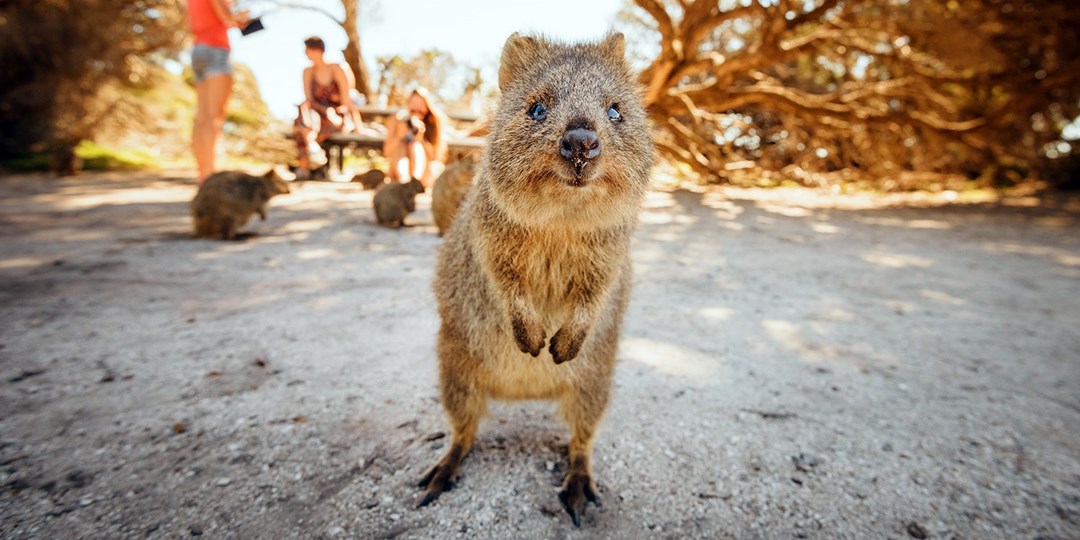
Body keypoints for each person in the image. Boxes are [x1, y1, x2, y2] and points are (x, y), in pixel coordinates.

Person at [187, 0, 248, 184]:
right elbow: (225, 16)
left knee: (202, 116)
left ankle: (203, 173)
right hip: (216, 50)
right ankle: (210, 175)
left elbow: (188, 25)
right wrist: (241, 18)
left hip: (198, 49)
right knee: (215, 116)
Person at [293, 36, 365, 179]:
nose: (305, 53)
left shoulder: (337, 68)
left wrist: (359, 126)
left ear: (316, 50)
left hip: (336, 115)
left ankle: (307, 162)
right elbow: (310, 100)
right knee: (303, 118)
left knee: (304, 124)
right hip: (316, 114)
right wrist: (322, 109)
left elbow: (347, 100)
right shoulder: (308, 72)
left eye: (307, 50)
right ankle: (311, 153)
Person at [383, 88, 446, 187]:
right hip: (398, 170)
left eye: (420, 107)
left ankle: (414, 181)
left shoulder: (432, 123)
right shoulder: (398, 120)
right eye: (413, 107)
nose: (416, 111)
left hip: (424, 173)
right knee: (401, 146)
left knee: (415, 145)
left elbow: (435, 158)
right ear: (408, 105)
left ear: (427, 108)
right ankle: (405, 182)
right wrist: (399, 136)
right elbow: (387, 152)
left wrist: (421, 139)